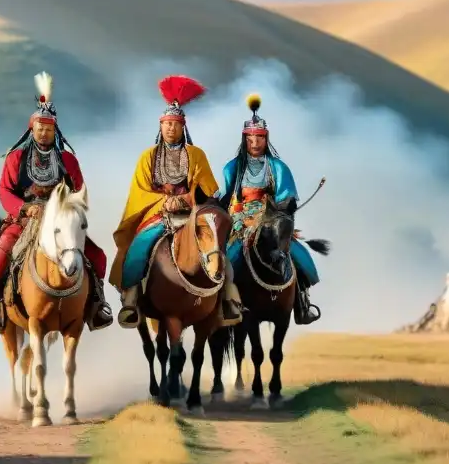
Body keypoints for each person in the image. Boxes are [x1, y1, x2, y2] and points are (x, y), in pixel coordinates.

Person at [0, 72, 113, 333]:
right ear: (32, 128)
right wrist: (25, 208)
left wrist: (66, 210)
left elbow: (79, 192)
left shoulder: (68, 161)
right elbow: (5, 190)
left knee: (97, 256)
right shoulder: (16, 158)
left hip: (60, 222)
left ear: (55, 131)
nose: (44, 133)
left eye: (48, 129)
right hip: (25, 219)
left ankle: (98, 303)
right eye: (40, 128)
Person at [110, 75, 242, 329]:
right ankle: (131, 299)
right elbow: (140, 191)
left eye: (175, 124)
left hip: (192, 213)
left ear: (183, 127)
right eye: (166, 124)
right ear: (160, 126)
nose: (170, 128)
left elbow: (207, 190)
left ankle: (228, 298)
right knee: (140, 245)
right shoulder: (148, 156)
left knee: (216, 246)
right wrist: (163, 203)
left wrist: (186, 198)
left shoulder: (196, 155)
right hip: (158, 216)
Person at [219, 93, 321, 325]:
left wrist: (277, 212)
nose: (255, 143)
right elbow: (223, 198)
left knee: (297, 255)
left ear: (266, 139)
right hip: (240, 221)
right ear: (244, 139)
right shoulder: (232, 167)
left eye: (259, 138)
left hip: (271, 220)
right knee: (225, 258)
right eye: (251, 139)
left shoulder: (277, 167)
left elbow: (286, 197)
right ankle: (222, 302)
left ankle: (302, 302)